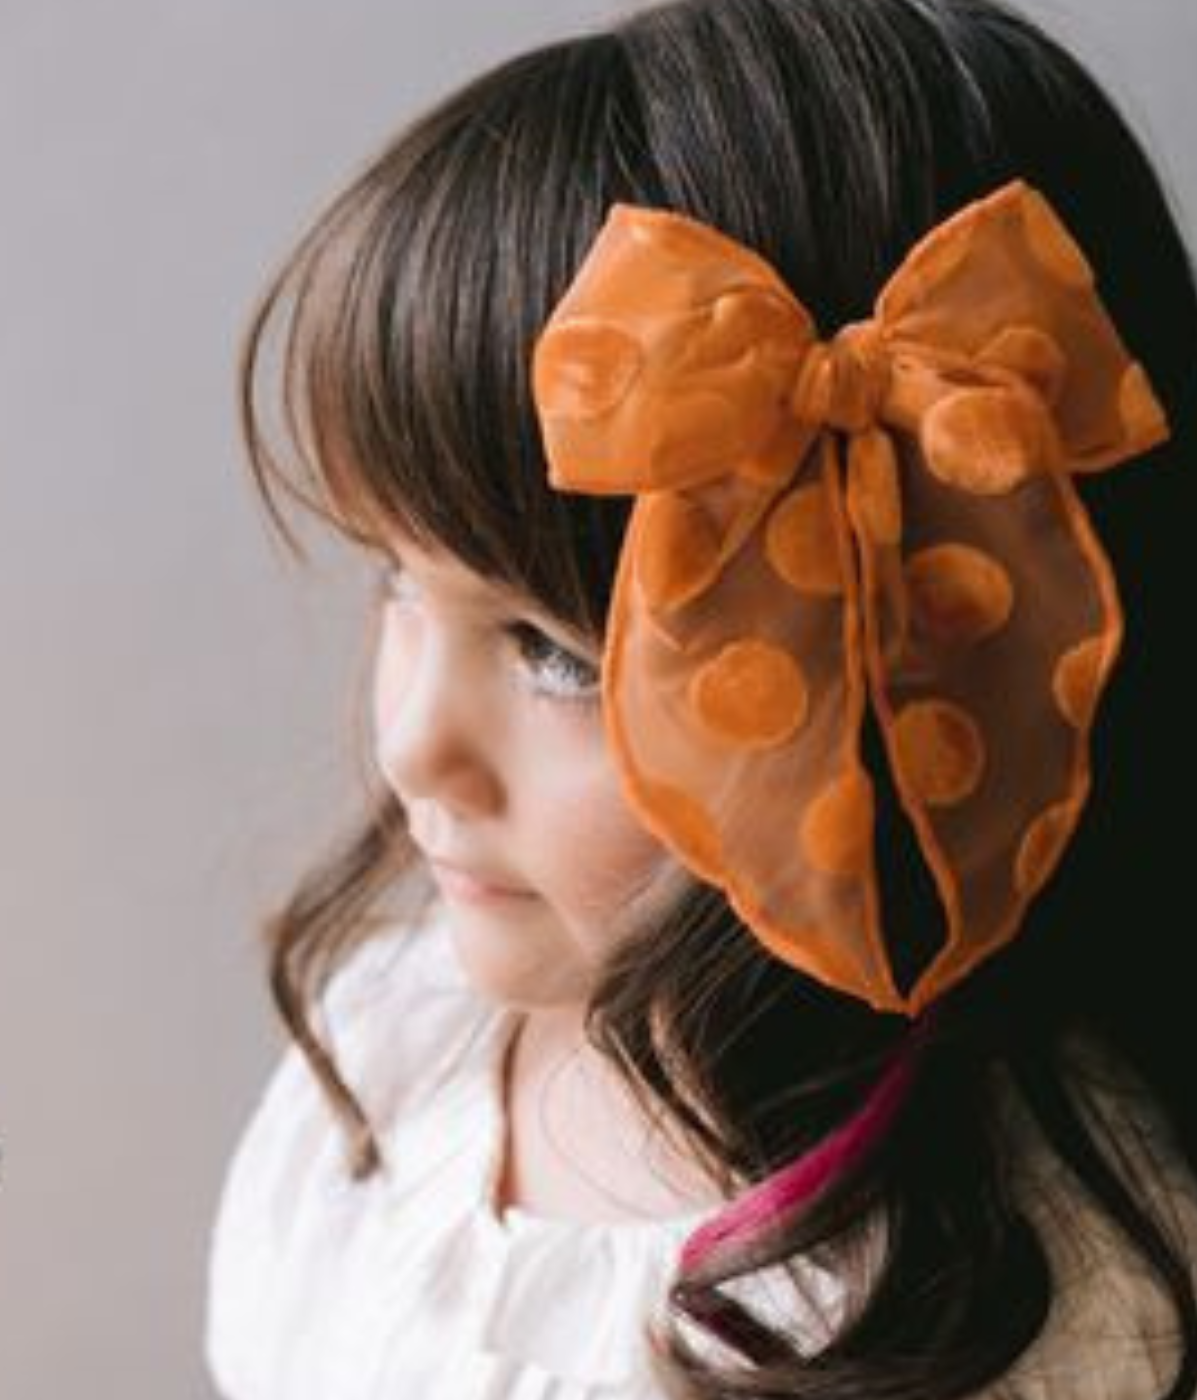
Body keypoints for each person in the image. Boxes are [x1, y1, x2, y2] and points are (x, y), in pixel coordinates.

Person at [204, 0, 1197, 1395]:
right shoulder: (393, 1047)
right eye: (395, 580)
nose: (416, 746)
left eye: (552, 651)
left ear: (924, 684)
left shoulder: (1015, 1308)